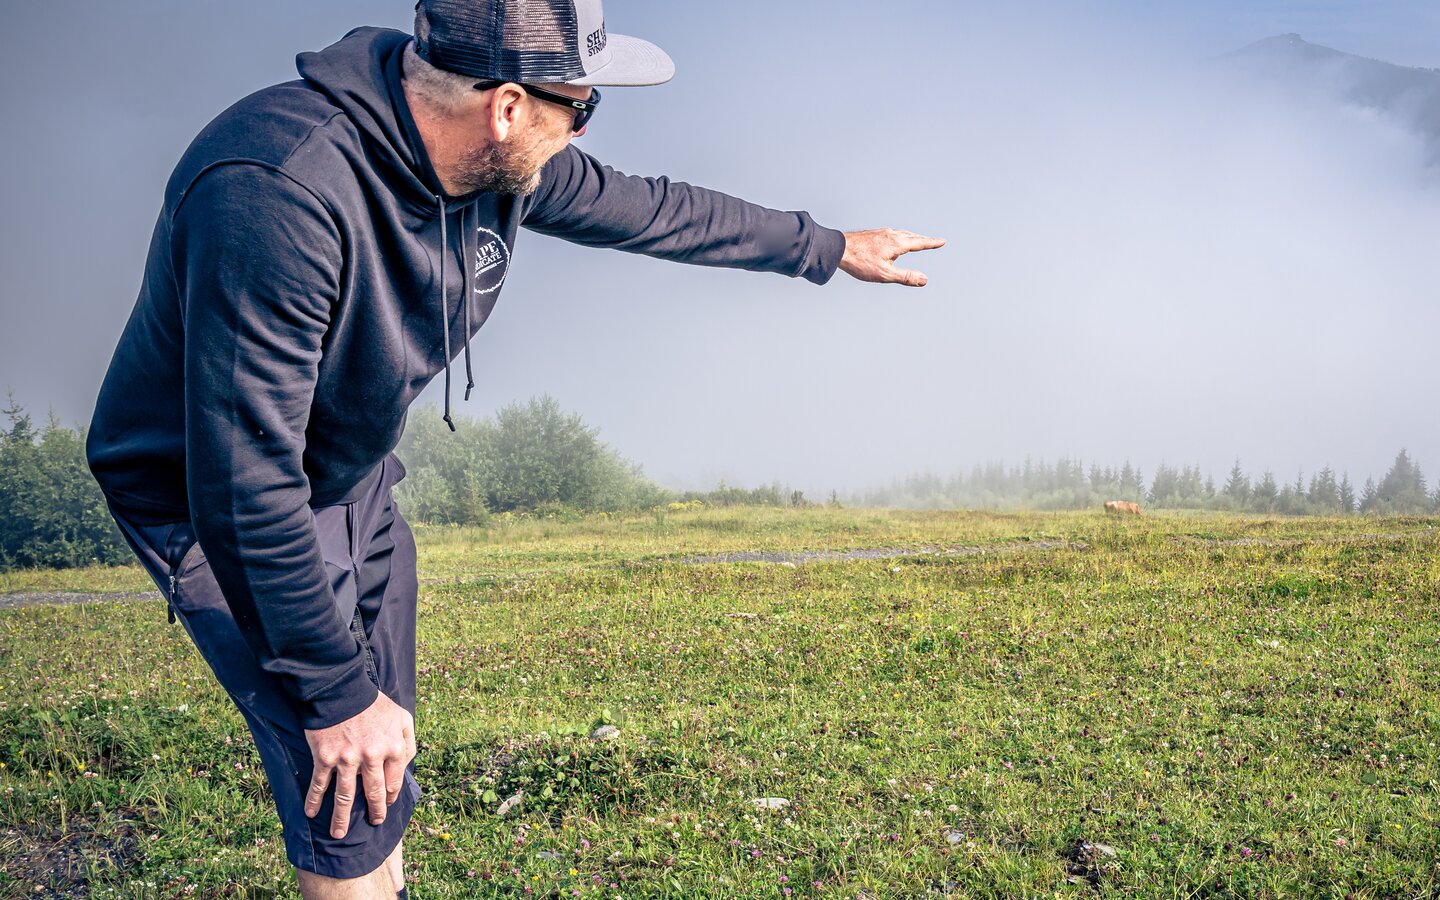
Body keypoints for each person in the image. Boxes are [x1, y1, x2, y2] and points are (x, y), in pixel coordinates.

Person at [84, 1, 942, 896]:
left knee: (385, 751)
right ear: (506, 106)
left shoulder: (499, 166)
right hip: (213, 499)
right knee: (341, 766)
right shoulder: (275, 191)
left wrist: (831, 247)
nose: (577, 135)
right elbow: (243, 481)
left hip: (348, 475)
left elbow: (657, 211)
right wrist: (332, 696)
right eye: (581, 108)